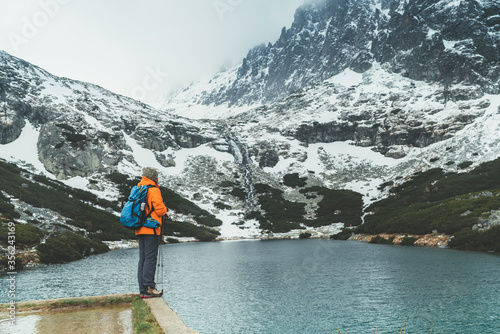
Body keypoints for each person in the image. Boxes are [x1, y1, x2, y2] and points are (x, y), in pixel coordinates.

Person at [136, 167, 167, 298]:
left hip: (139, 228)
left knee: (143, 258)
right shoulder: (154, 190)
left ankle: (143, 290)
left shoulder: (139, 188)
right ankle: (150, 287)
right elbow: (160, 210)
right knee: (150, 258)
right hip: (151, 229)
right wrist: (165, 208)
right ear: (155, 178)